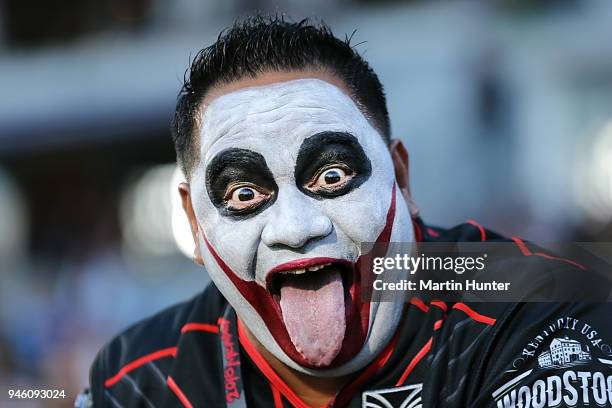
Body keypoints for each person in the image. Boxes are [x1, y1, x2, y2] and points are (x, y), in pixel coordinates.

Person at [82, 16, 612, 408]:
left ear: (400, 179)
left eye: (332, 177)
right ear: (195, 226)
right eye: (244, 193)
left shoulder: (544, 309)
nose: (297, 229)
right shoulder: (138, 380)